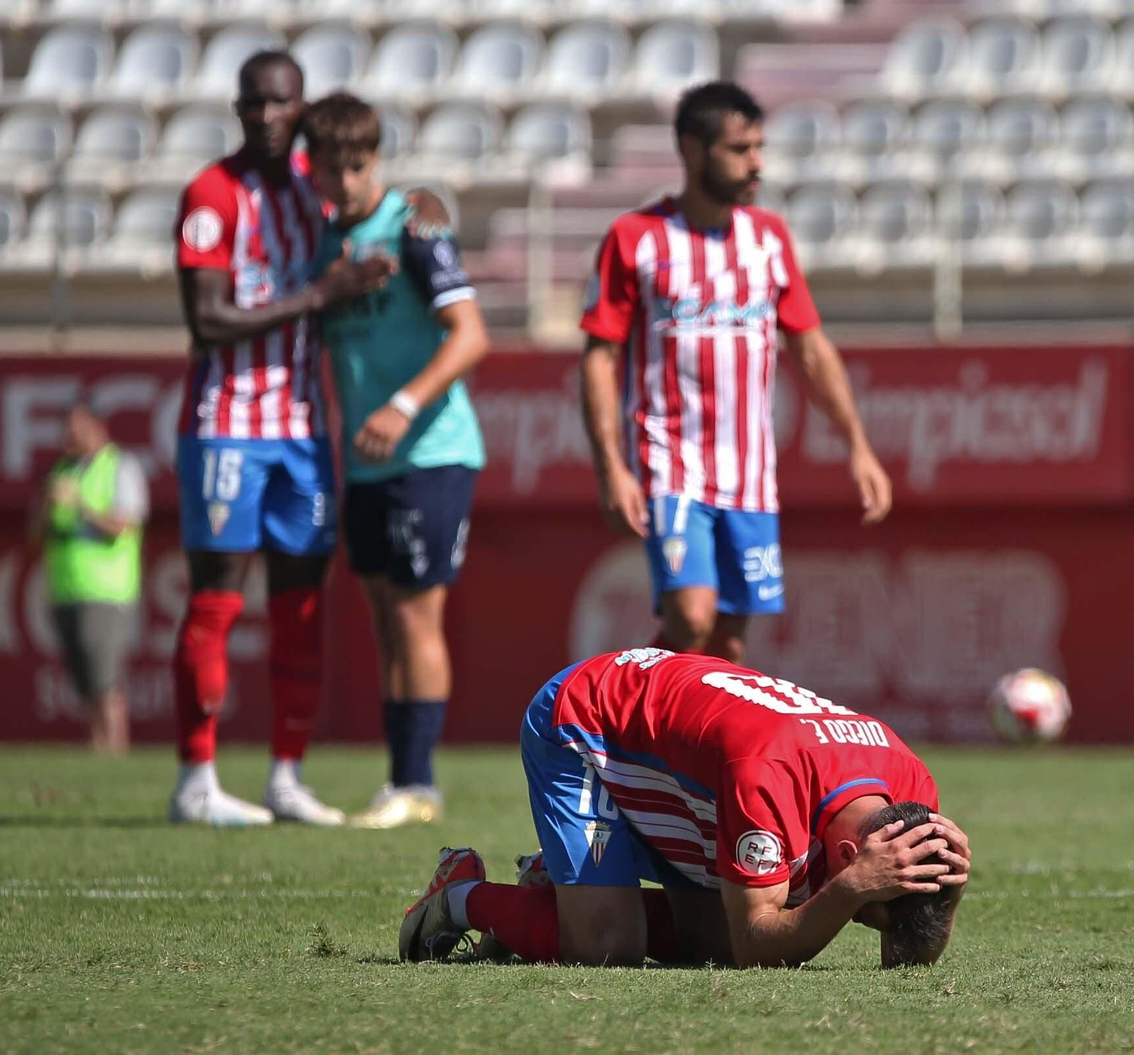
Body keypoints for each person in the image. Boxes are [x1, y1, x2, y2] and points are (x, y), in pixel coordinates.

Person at [169, 52, 450, 827]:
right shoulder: (211, 194)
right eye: (252, 102)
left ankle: (284, 774)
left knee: (300, 607)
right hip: (226, 423)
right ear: (236, 107)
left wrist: (427, 201)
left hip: (301, 429)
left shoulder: (314, 193)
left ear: (298, 111)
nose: (265, 115)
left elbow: (389, 204)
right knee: (218, 598)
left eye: (279, 103)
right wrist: (321, 293)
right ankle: (196, 777)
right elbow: (208, 319)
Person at [399, 648, 972, 968]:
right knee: (604, 948)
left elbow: (907, 945)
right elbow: (758, 943)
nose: (865, 924)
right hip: (587, 723)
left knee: (712, 946)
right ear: (855, 854)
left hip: (690, 756)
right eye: (870, 913)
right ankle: (457, 898)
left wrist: (951, 888)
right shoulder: (766, 778)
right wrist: (849, 891)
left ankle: (552, 892)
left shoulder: (911, 788)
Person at [579, 81, 893, 665]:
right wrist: (611, 468)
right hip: (670, 461)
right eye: (740, 149)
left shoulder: (768, 238)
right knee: (692, 616)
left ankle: (673, 751)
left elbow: (811, 349)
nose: (757, 163)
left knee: (726, 644)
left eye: (759, 146)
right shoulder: (636, 239)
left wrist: (859, 446)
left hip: (750, 473)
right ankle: (609, 718)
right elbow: (598, 357)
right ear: (694, 151)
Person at [302, 92, 490, 830]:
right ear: (311, 169)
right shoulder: (320, 245)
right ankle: (400, 780)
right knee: (385, 618)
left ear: (376, 160)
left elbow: (470, 335)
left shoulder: (414, 227)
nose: (346, 181)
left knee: (416, 615)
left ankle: (421, 784)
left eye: (359, 165)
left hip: (430, 450)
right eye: (332, 168)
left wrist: (402, 405)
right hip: (369, 461)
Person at [31, 401, 148, 755]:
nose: (69, 436)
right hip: (65, 588)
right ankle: (98, 744)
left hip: (106, 590)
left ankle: (115, 748)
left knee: (105, 677)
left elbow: (123, 524)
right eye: (66, 428)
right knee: (82, 679)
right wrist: (46, 507)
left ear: (99, 427)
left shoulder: (120, 466)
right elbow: (35, 534)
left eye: (76, 428)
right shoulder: (62, 470)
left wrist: (79, 503)